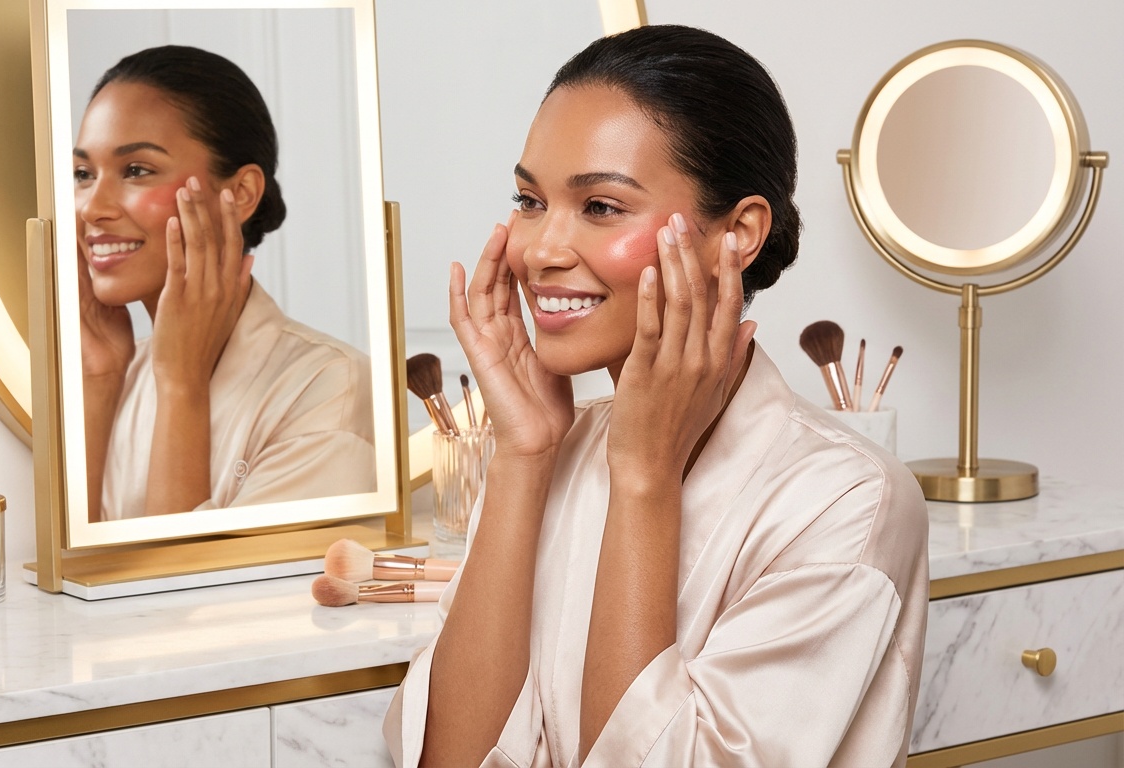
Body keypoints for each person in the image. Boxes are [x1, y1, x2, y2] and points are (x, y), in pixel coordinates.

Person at [384, 25, 928, 767]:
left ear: (737, 233)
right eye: (530, 199)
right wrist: (522, 453)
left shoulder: (850, 503)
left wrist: (644, 476)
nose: (539, 248)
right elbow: (448, 761)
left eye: (602, 206)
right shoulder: (554, 454)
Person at [74, 45, 376, 522]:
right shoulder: (120, 379)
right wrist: (98, 379)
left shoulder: (330, 391)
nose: (92, 207)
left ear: (240, 194)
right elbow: (76, 584)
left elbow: (175, 590)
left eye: (136, 170)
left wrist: (182, 386)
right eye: (83, 174)